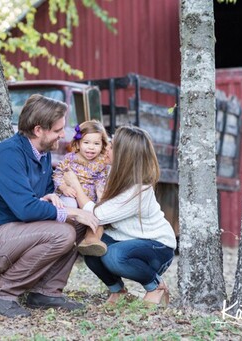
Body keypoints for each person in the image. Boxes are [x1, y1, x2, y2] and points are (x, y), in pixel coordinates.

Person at [0, 94, 99, 318]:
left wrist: (54, 198)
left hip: (16, 235)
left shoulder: (42, 155)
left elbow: (39, 198)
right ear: (38, 130)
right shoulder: (9, 154)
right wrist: (69, 211)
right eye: (57, 130)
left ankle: (45, 292)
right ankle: (1, 292)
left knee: (79, 225)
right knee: (64, 230)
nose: (62, 135)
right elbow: (26, 209)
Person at [63, 126, 176, 306]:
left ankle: (155, 286)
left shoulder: (139, 190)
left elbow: (97, 215)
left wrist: (75, 186)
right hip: (124, 239)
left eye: (112, 145)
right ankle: (118, 291)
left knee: (114, 256)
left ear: (124, 155)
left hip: (157, 246)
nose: (106, 147)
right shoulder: (111, 175)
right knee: (91, 250)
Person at [52, 120, 110, 256]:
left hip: (89, 200)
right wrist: (64, 187)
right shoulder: (70, 159)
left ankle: (91, 241)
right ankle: (67, 235)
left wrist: (100, 193)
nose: (91, 147)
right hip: (70, 194)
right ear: (78, 143)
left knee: (99, 213)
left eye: (96, 144)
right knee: (69, 204)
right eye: (86, 142)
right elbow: (58, 174)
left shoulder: (101, 164)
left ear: (102, 145)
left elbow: (101, 181)